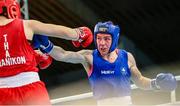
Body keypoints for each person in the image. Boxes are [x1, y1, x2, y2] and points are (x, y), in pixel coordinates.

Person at [34, 21, 177, 105]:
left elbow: (139, 80)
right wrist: (47, 46)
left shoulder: (127, 57)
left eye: (106, 39)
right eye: (99, 38)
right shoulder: (89, 57)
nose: (101, 43)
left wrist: (155, 83)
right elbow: (64, 55)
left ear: (114, 39)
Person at [0, 0, 93, 105]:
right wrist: (77, 34)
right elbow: (57, 30)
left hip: (3, 92)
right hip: (31, 87)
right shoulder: (27, 25)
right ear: (12, 9)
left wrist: (35, 55)